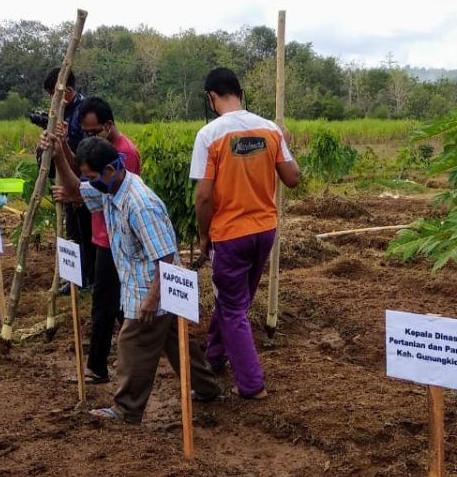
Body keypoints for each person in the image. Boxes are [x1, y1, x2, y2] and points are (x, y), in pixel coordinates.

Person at [47, 133, 222, 423]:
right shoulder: (110, 189)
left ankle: (126, 409)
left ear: (110, 170)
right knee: (175, 342)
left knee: (132, 343)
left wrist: (153, 298)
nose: (92, 181)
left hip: (153, 288)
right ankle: (206, 388)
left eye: (93, 175)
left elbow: (165, 255)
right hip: (140, 284)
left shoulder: (141, 204)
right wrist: (57, 157)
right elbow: (76, 189)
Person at [190, 68, 300, 399]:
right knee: (236, 300)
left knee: (234, 306)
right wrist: (285, 143)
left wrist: (204, 235)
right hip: (264, 230)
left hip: (230, 234)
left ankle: (252, 385)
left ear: (211, 97)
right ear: (240, 92)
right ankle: (215, 354)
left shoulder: (209, 135)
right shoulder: (270, 130)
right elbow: (293, 178)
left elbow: (204, 196)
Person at [54, 96, 141, 383]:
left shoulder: (124, 153)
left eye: (93, 132)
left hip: (116, 239)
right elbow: (81, 172)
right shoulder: (98, 151)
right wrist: (62, 147)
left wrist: (77, 194)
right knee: (111, 301)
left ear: (109, 125)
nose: (89, 136)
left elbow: (112, 194)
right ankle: (126, 353)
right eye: (86, 132)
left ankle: (98, 366)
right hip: (102, 235)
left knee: (104, 301)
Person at [41, 68, 93, 290]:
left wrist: (63, 144)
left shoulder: (85, 112)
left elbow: (84, 159)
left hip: (84, 184)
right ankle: (76, 278)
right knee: (73, 231)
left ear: (68, 90)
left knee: (87, 232)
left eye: (54, 93)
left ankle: (89, 278)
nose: (51, 99)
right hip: (67, 181)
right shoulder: (62, 113)